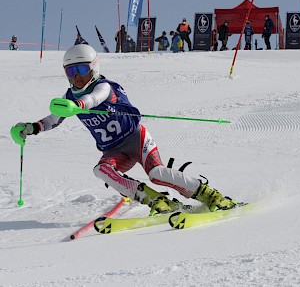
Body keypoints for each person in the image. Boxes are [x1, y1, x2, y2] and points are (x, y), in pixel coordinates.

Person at [11, 44, 237, 215]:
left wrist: (79, 105)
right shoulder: (69, 97)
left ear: (93, 68)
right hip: (114, 151)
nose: (77, 76)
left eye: (81, 69)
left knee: (156, 174)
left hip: (136, 139)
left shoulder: (103, 86)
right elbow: (53, 119)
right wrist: (31, 128)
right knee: (101, 170)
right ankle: (155, 200)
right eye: (71, 72)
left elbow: (94, 98)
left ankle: (210, 195)